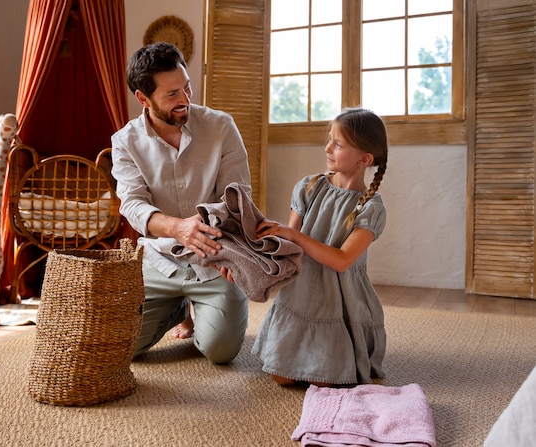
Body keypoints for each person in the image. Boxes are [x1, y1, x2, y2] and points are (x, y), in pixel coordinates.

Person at [111, 42, 251, 364]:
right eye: (172, 94)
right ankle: (177, 307)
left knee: (220, 352)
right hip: (161, 259)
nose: (185, 100)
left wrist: (230, 250)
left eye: (187, 87)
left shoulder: (221, 126)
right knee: (122, 348)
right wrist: (178, 228)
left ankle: (201, 307)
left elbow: (237, 196)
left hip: (215, 255)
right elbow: (132, 205)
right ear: (143, 98)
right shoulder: (124, 143)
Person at [252, 107, 388, 386]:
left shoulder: (371, 207)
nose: (327, 147)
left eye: (338, 144)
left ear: (365, 158)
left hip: (339, 298)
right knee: (282, 378)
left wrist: (293, 235)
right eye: (329, 139)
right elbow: (287, 245)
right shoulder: (308, 187)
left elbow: (341, 260)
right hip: (300, 290)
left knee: (324, 380)